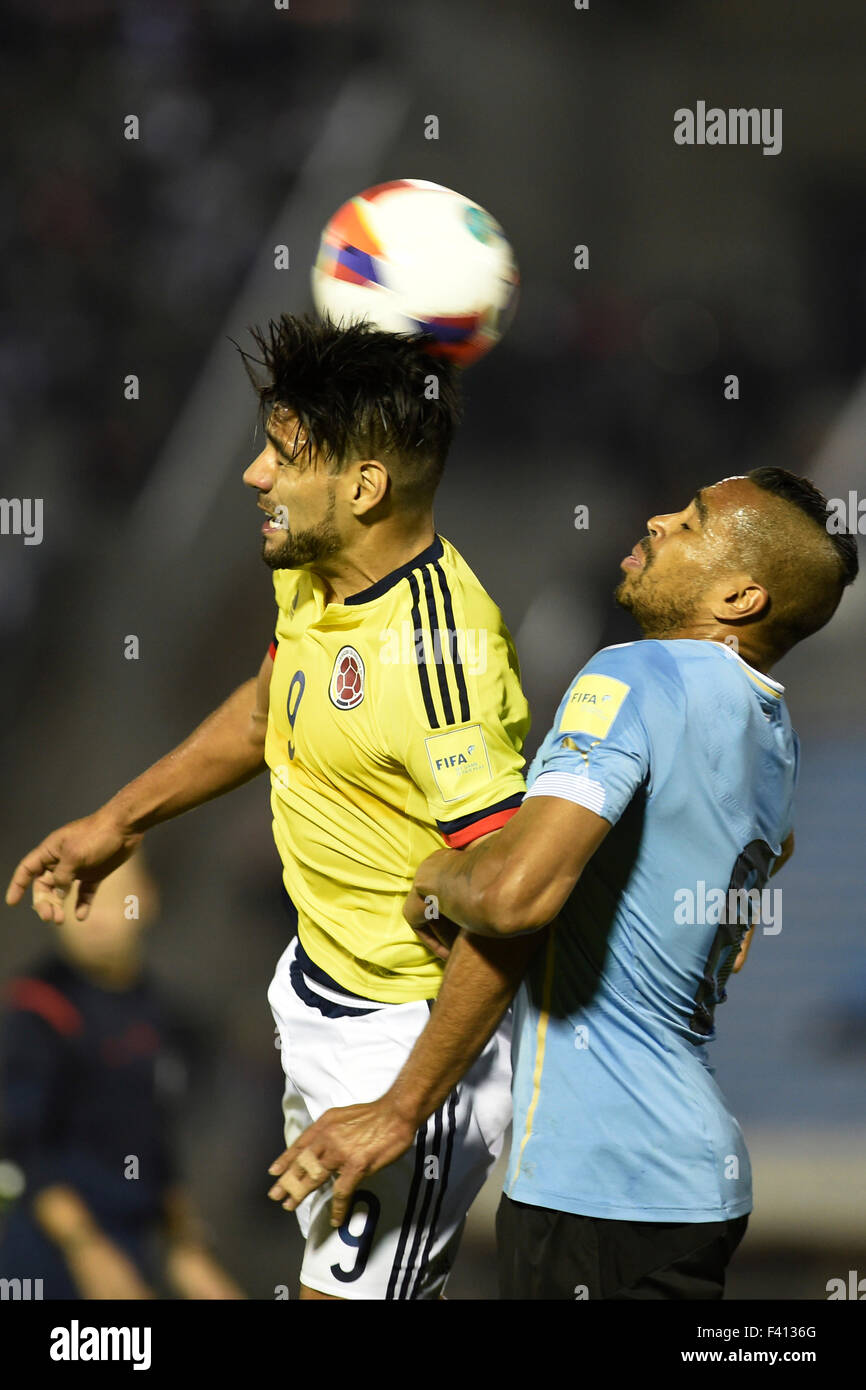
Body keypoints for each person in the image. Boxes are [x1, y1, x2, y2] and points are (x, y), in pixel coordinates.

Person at [6, 315, 530, 1300]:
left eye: (283, 456)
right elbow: (266, 705)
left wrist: (399, 1103)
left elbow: (508, 901)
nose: (252, 475)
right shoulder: (319, 578)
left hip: (403, 1044)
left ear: (364, 486)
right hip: (321, 998)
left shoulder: (439, 656)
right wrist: (121, 819)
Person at [267, 467, 858, 1300]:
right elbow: (750, 906)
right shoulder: (772, 737)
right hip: (691, 1182)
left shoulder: (640, 677)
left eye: (689, 524)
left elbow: (513, 897)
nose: (656, 520)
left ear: (740, 598)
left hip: (601, 1182)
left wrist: (435, 875)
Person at [0, 855, 243, 1299]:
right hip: (49, 1254)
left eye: (111, 897)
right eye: (74, 897)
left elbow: (155, 1145)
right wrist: (87, 1251)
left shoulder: (161, 1012)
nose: (91, 913)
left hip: (135, 1244)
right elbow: (27, 1148)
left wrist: (186, 1248)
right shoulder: (38, 1007)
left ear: (147, 899)